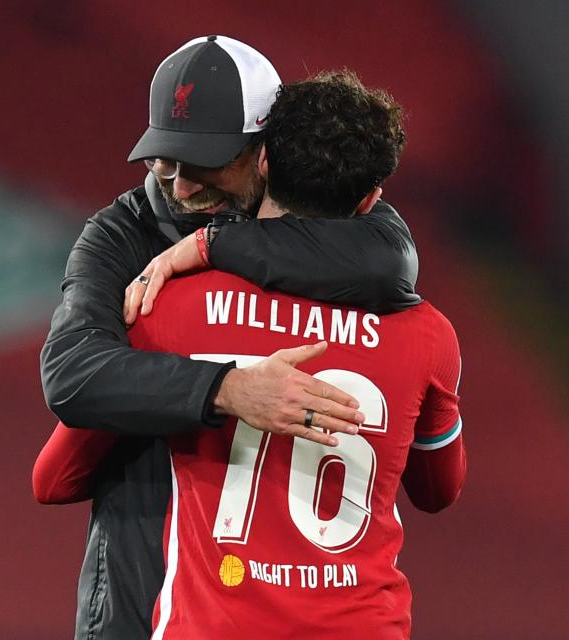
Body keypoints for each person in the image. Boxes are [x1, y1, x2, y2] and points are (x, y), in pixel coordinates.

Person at [37, 70, 466, 639]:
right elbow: (439, 490)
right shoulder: (428, 335)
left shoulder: (171, 306)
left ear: (264, 163)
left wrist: (203, 392)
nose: (183, 188)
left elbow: (54, 477)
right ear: (371, 198)